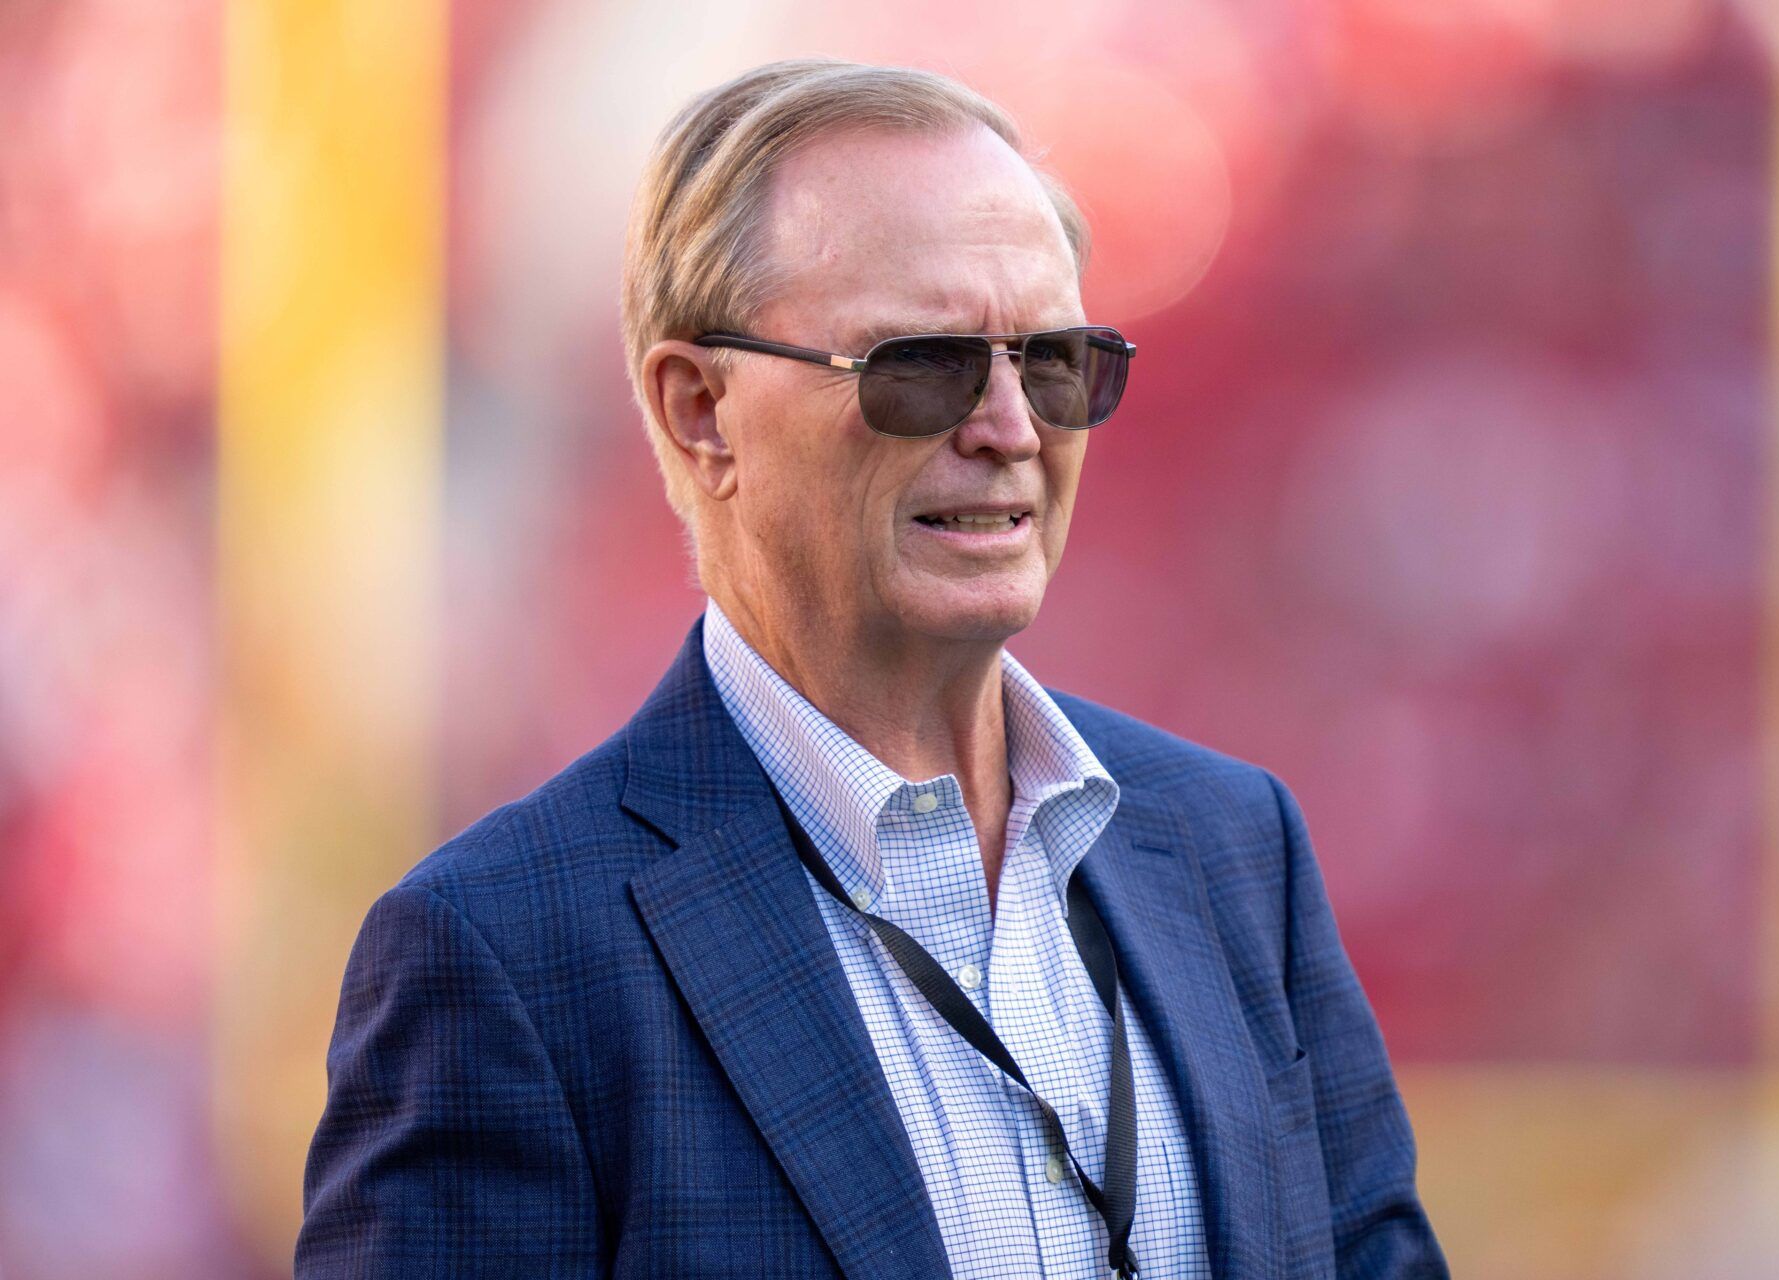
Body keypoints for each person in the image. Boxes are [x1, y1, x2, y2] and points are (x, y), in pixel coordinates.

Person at [295, 58, 1449, 1280]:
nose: (1011, 427)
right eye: (924, 364)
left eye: (1054, 362)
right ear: (700, 410)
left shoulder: (1232, 850)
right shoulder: (508, 955)